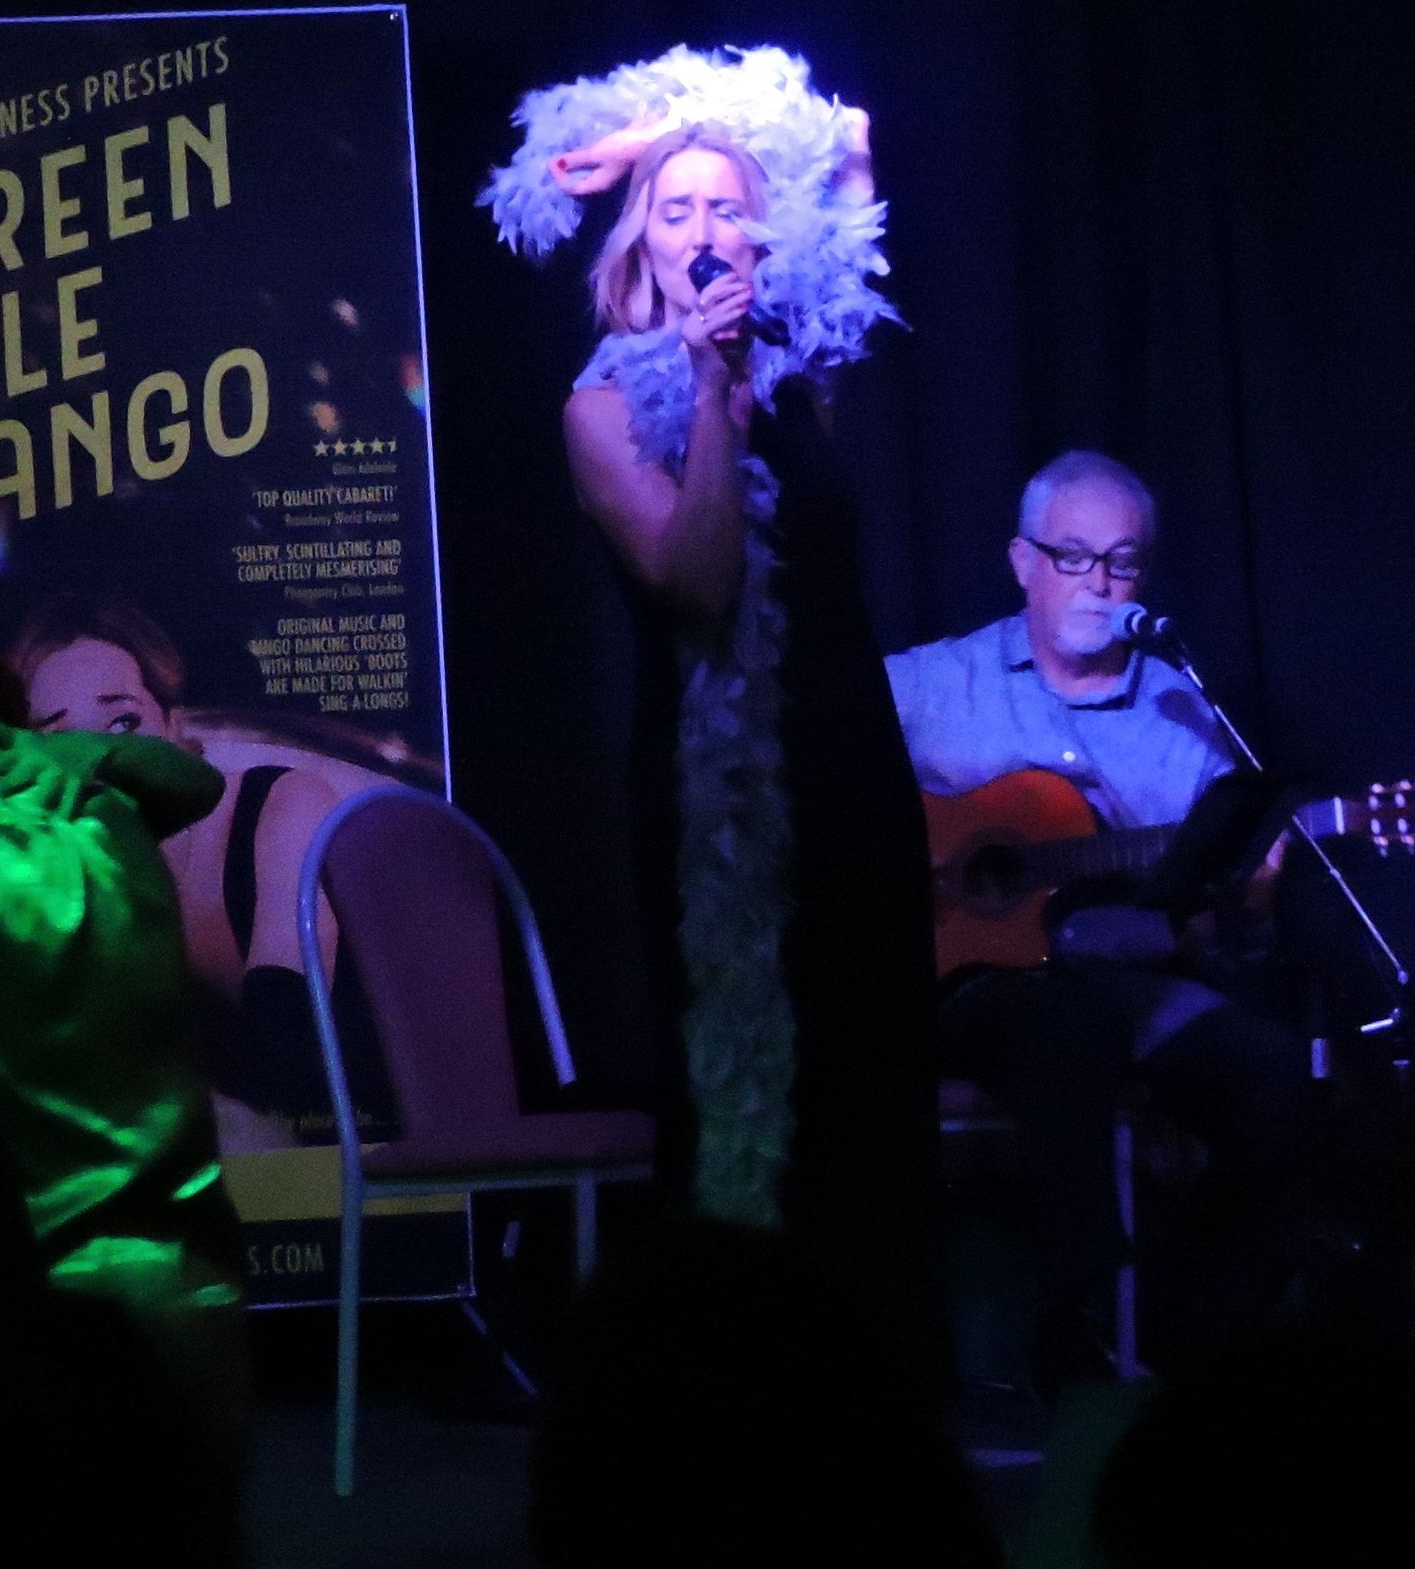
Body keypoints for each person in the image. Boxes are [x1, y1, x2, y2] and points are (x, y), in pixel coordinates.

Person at [487, 53, 940, 1377]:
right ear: (640, 244)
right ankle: (741, 1397)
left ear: (761, 236)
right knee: (746, 1083)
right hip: (714, 794)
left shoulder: (803, 375)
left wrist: (648, 137)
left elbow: (841, 128)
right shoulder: (599, 407)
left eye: (724, 207)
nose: (699, 228)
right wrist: (705, 389)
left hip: (847, 769)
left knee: (868, 1071)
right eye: (672, 209)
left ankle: (884, 1388)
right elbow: (696, 584)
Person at [885, 450, 1312, 1382]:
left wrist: (1243, 904)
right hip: (964, 983)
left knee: (1281, 1081)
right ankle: (1072, 1325)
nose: (1100, 583)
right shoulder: (929, 684)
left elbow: (1211, 928)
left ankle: (1183, 1331)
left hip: (1124, 979)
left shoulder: (1182, 712)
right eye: (1073, 556)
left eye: (1123, 561)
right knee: (1064, 1028)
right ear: (1022, 561)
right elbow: (802, 773)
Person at [0, 628, 249, 1559]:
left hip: (6, 1333)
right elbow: (193, 781)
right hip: (176, 1297)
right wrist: (96, 751)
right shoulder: (93, 799)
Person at [7, 594, 390, 1148]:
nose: (106, 758)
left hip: (372, 1137)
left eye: (123, 721)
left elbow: (288, 1043)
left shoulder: (282, 806)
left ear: (172, 723)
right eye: (66, 739)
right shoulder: (52, 873)